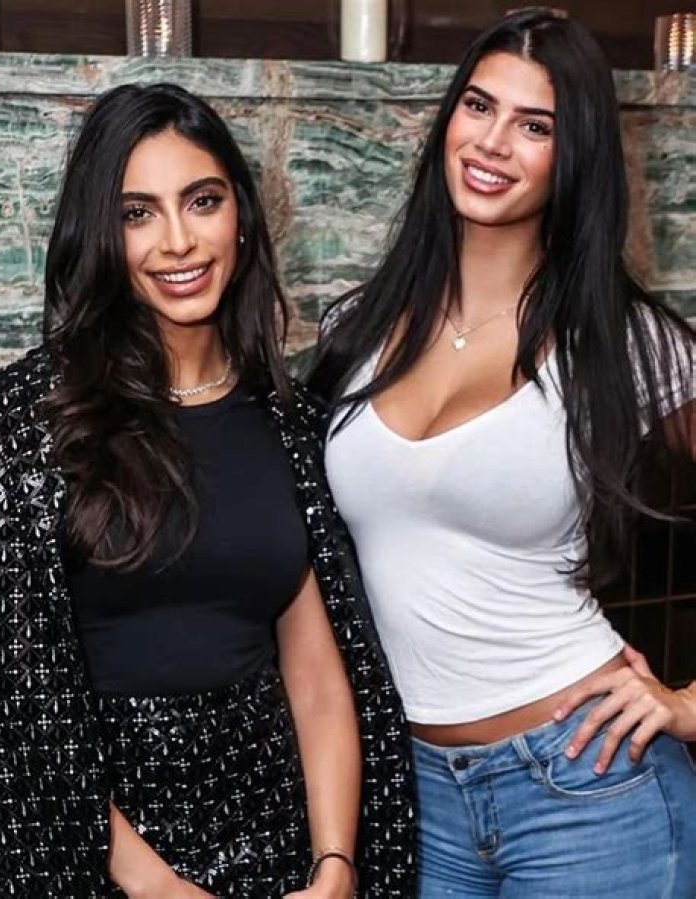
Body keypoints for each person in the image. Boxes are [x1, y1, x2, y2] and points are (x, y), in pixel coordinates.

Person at [0, 83, 417, 898]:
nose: (178, 241)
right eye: (137, 213)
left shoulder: (288, 422)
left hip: (275, 837)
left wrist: (334, 864)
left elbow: (318, 677)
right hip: (95, 848)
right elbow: (11, 693)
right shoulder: (31, 414)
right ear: (101, 235)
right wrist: (155, 884)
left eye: (202, 201)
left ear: (240, 215)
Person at [309, 8, 696, 897]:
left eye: (536, 125)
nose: (492, 142)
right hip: (420, 794)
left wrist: (687, 701)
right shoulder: (357, 326)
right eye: (479, 106)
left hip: (592, 791)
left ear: (576, 154)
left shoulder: (626, 341)